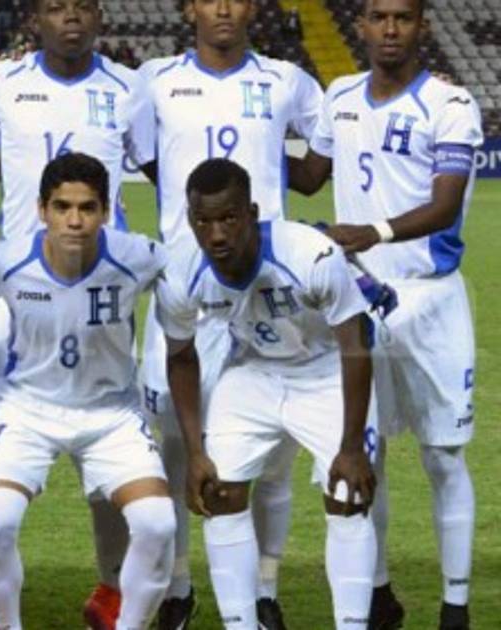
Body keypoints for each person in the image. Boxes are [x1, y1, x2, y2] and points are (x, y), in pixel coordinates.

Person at [291, 1, 483, 627]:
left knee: (442, 456)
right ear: (362, 26)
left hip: (430, 300)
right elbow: (310, 176)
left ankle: (455, 605)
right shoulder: (340, 96)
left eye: (403, 17)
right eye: (379, 16)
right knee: (361, 452)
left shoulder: (450, 104)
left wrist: (371, 231)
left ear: (421, 25)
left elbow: (445, 206)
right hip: (360, 300)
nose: (391, 28)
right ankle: (377, 595)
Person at [134, 1, 325, 625]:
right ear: (189, 5)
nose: (222, 7)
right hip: (185, 288)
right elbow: (151, 161)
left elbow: (319, 164)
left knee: (271, 456)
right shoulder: (154, 81)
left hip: (267, 291)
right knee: (171, 446)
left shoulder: (287, 81)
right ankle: (178, 586)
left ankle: (264, 590)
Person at [0, 0, 156, 625]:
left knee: (107, 446)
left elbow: (155, 165)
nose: (69, 17)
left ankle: (112, 588)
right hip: (14, 286)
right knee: (0, 444)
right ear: (35, 19)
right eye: (56, 6)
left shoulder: (130, 87)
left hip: (100, 290)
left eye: (81, 6)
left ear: (98, 16)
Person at [0, 153, 175, 630]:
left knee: (158, 524)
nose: (75, 220)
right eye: (62, 207)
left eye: (87, 208)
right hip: (26, 410)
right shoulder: (7, 260)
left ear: (106, 211)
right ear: (41, 209)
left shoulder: (138, 255)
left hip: (111, 414)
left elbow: (196, 269)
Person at [160, 158, 378, 630]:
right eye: (203, 221)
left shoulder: (310, 255)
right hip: (255, 369)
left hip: (326, 370)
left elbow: (355, 346)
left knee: (348, 494)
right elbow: (180, 358)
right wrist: (195, 452)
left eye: (229, 218)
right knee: (218, 490)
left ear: (252, 213)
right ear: (190, 220)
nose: (217, 234)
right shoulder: (180, 273)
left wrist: (351, 446)